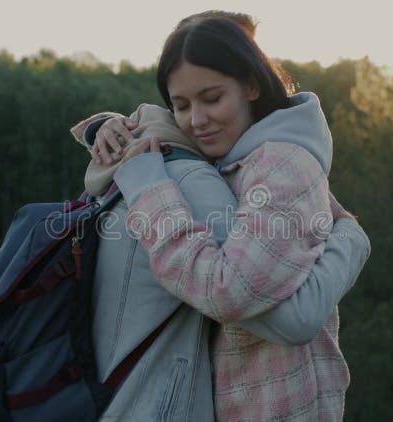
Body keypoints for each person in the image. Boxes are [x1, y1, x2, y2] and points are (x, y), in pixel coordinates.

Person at [96, 15, 370, 421]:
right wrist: (107, 127)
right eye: (182, 105)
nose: (197, 120)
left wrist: (150, 194)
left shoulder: (280, 164)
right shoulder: (235, 156)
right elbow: (161, 125)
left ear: (252, 85)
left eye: (212, 98)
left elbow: (229, 290)